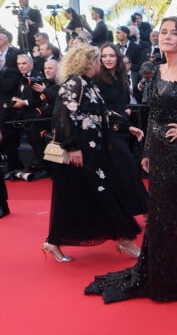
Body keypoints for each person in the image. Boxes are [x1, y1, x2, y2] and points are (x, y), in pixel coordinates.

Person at [85, 16, 177, 303]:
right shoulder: (159, 69)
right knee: (160, 214)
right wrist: (148, 151)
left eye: (174, 33)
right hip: (159, 152)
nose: (167, 37)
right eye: (163, 32)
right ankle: (164, 270)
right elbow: (154, 116)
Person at [41, 43, 142, 263]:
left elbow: (103, 113)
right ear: (87, 62)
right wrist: (73, 147)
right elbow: (61, 115)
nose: (99, 64)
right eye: (96, 60)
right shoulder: (74, 83)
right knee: (102, 194)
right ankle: (125, 240)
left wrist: (127, 127)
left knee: (75, 199)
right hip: (80, 155)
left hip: (94, 154)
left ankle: (53, 242)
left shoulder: (89, 85)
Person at [95, 43, 148, 219]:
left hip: (122, 128)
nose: (108, 59)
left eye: (111, 55)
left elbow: (122, 102)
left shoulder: (121, 77)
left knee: (125, 169)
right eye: (104, 56)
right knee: (126, 169)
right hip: (108, 130)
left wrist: (126, 111)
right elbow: (100, 108)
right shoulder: (97, 79)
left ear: (118, 58)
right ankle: (142, 209)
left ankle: (132, 211)